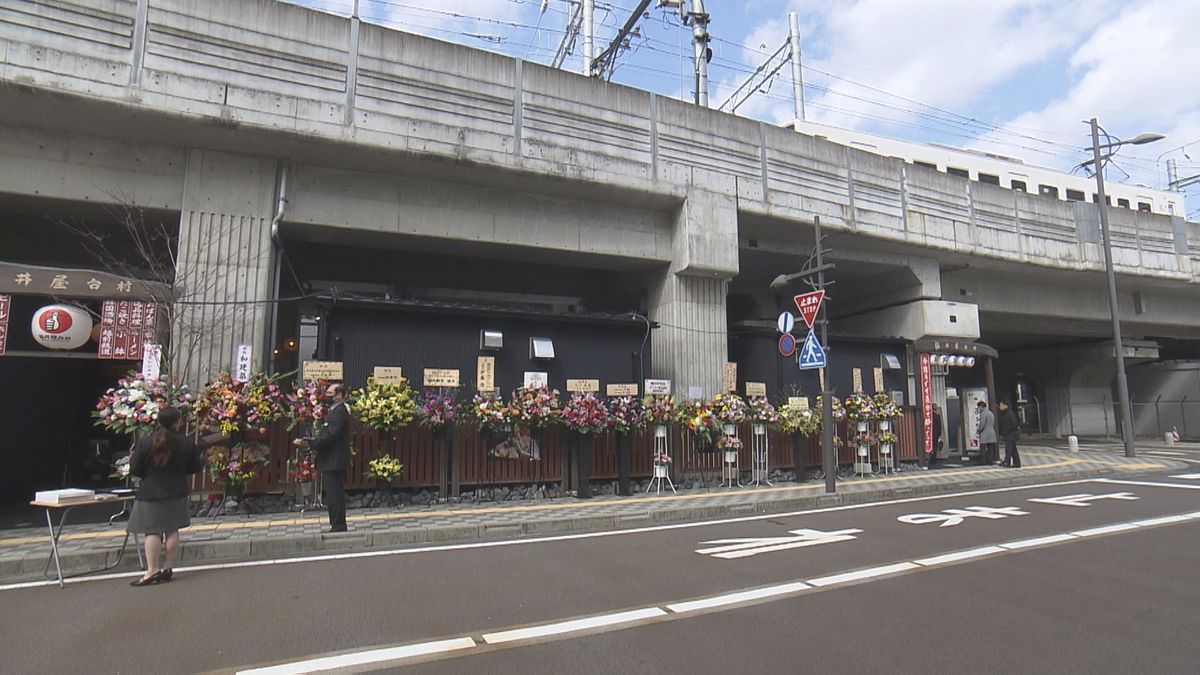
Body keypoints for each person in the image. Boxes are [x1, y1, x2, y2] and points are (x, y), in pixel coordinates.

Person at [127, 407, 203, 587]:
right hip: (176, 491)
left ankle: (152, 570)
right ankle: (168, 568)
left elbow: (135, 469)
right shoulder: (186, 443)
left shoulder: (146, 442)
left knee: (152, 531)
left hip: (150, 492)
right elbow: (194, 467)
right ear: (178, 422)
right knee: (172, 529)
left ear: (158, 421)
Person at [295, 383, 350, 532]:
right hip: (331, 459)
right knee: (332, 493)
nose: (327, 394)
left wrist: (310, 443)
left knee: (334, 494)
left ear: (339, 395)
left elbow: (330, 436)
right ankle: (336, 524)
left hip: (334, 459)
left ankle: (338, 525)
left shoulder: (339, 412)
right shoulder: (334, 411)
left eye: (331, 392)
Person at [997, 400, 1022, 468]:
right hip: (1009, 434)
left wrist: (1007, 430)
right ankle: (1017, 463)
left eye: (1001, 405)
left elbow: (1015, 423)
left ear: (1005, 405)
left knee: (1009, 449)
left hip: (1010, 435)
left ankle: (1007, 462)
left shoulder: (1010, 413)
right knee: (1013, 450)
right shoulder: (1005, 413)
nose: (1000, 407)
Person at [976, 399, 998, 465]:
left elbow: (982, 424)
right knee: (990, 448)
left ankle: (983, 461)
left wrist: (979, 430)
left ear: (981, 406)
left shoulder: (983, 413)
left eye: (978, 407)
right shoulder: (990, 413)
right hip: (991, 432)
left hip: (985, 433)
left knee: (983, 448)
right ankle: (990, 460)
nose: (978, 409)